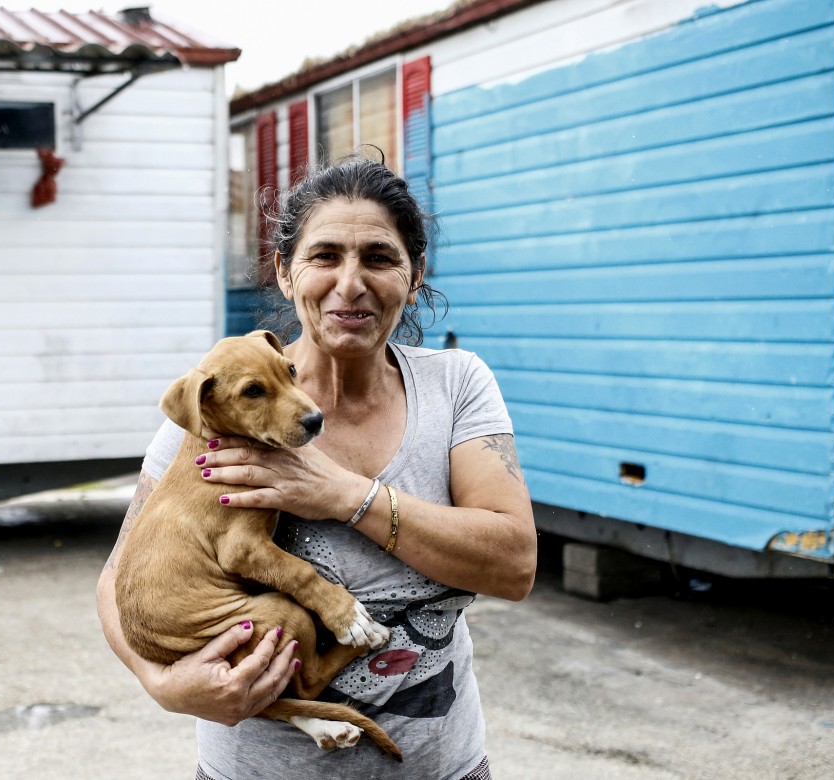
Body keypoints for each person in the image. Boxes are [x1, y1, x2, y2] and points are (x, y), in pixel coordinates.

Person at [96, 153, 537, 780]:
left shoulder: (456, 385)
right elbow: (118, 581)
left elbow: (514, 564)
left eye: (380, 258)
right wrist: (162, 682)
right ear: (284, 272)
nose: (350, 283)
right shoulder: (216, 410)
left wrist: (344, 495)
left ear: (415, 277)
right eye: (325, 256)